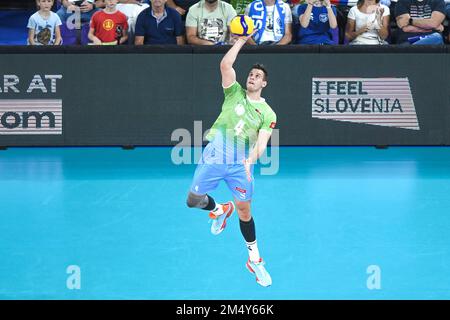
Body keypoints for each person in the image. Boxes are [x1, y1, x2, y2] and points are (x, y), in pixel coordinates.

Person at [186, 32, 276, 287]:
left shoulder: (267, 112)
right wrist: (240, 41)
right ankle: (219, 209)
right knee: (192, 201)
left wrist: (250, 160)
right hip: (214, 157)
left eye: (258, 76)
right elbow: (225, 65)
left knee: (245, 211)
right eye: (251, 74)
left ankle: (255, 260)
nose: (252, 77)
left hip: (239, 165)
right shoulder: (233, 93)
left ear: (264, 84)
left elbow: (261, 144)